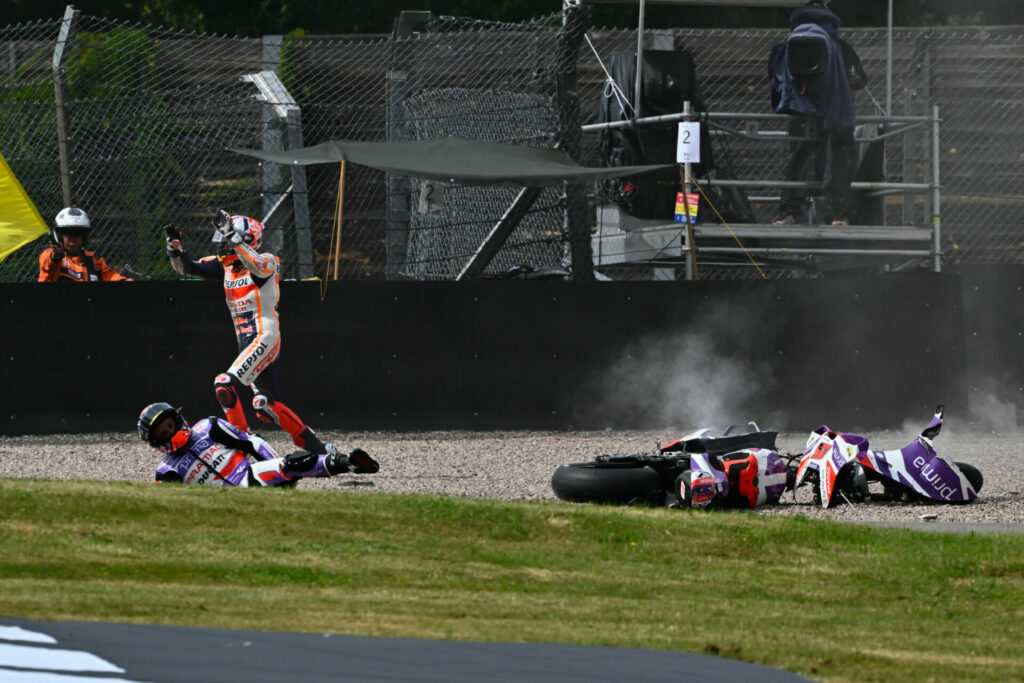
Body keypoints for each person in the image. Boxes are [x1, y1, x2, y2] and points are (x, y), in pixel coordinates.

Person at [164, 210, 331, 454]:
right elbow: (187, 268)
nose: (221, 244)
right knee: (268, 405)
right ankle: (317, 447)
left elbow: (257, 266)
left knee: (224, 384)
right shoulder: (226, 266)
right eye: (222, 237)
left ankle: (239, 445)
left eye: (226, 238)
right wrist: (175, 249)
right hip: (245, 340)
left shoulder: (267, 261)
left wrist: (234, 237)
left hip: (265, 335)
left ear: (246, 238)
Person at [768, 0, 867, 226]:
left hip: (803, 111)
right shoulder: (840, 48)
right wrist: (850, 81)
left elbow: (777, 80)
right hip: (836, 113)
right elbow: (861, 79)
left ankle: (790, 213)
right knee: (837, 162)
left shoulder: (786, 47)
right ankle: (838, 214)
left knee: (799, 162)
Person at [137, 402, 378, 487]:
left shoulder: (208, 426)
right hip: (223, 506)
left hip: (248, 476)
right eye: (164, 431)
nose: (171, 431)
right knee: (290, 465)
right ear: (157, 441)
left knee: (293, 463)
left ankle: (350, 463)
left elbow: (251, 443)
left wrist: (273, 464)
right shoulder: (165, 470)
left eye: (170, 424)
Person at [38, 207, 131, 282]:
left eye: (78, 233)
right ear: (59, 236)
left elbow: (108, 275)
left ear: (84, 236)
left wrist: (123, 281)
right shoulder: (50, 257)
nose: (73, 239)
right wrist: (56, 256)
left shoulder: (93, 259)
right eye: (68, 232)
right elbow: (48, 266)